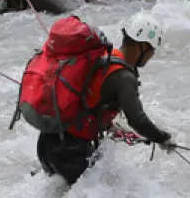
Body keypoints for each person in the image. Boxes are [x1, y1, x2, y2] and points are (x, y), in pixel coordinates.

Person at [37, 11, 176, 186]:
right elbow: (137, 120)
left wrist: (111, 127)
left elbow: (90, 101)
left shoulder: (105, 57)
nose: (152, 55)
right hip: (69, 151)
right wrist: (162, 138)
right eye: (152, 50)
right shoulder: (124, 76)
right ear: (143, 46)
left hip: (48, 142)